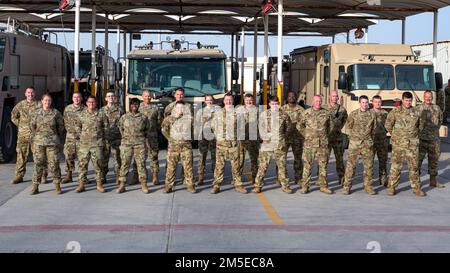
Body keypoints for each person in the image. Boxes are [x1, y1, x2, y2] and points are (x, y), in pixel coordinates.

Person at [385, 91, 426, 196]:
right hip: (399, 144)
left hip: (412, 145)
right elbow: (388, 124)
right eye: (406, 100)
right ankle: (392, 187)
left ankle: (416, 188)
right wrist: (395, 135)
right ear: (402, 100)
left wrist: (413, 135)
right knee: (396, 166)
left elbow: (421, 126)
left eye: (410, 100)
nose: (408, 102)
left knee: (414, 167)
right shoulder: (395, 112)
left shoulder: (417, 112)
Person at [253, 96, 293, 194]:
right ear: (269, 104)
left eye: (276, 104)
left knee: (282, 166)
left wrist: (282, 138)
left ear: (278, 104)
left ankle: (285, 186)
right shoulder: (264, 115)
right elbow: (260, 128)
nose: (274, 106)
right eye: (272, 104)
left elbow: (288, 128)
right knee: (263, 166)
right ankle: (258, 185)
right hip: (267, 145)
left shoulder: (284, 115)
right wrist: (265, 138)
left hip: (280, 144)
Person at [210, 93, 247, 194]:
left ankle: (238, 185)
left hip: (233, 145)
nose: (228, 102)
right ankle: (216, 185)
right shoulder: (218, 113)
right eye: (227, 100)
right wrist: (219, 136)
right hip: (221, 144)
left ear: (233, 101)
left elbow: (241, 127)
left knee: (236, 165)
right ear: (224, 101)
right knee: (219, 166)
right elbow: (213, 126)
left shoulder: (238, 114)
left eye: (230, 100)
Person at [29, 94, 65, 195]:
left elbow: (61, 127)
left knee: (54, 163)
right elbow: (32, 126)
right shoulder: (36, 113)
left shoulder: (56, 113)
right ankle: (35, 186)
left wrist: (54, 136)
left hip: (52, 143)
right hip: (39, 143)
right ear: (41, 101)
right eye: (45, 100)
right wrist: (38, 136)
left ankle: (57, 186)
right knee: (38, 164)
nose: (47, 102)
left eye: (49, 101)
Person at [297, 95, 333, 194]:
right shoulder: (306, 113)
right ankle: (305, 186)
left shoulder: (326, 113)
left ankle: (323, 186)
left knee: (323, 165)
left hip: (322, 144)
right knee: (308, 165)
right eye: (316, 101)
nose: (318, 103)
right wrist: (307, 135)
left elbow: (330, 127)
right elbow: (299, 125)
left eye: (320, 101)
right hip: (310, 144)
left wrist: (324, 136)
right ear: (312, 102)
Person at [11, 87, 47, 184]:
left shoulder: (39, 104)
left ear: (34, 94)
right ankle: (19, 175)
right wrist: (21, 124)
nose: (30, 94)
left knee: (39, 156)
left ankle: (42, 175)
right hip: (23, 135)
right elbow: (13, 115)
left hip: (36, 136)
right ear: (25, 94)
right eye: (28, 92)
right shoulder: (20, 105)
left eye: (32, 92)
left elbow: (45, 116)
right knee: (21, 156)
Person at [342, 96, 376, 195]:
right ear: (359, 103)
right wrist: (353, 138)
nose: (365, 104)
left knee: (368, 166)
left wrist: (369, 140)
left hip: (367, 143)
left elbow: (374, 129)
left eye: (366, 103)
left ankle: (368, 187)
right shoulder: (353, 114)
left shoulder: (372, 115)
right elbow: (348, 127)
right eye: (363, 102)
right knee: (351, 166)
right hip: (355, 144)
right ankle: (347, 187)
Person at [75, 96, 109, 193]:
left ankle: (99, 184)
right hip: (84, 145)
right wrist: (81, 136)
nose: (91, 104)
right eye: (89, 102)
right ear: (86, 103)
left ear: (96, 103)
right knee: (82, 165)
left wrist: (102, 139)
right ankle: (81, 184)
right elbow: (77, 126)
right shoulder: (81, 114)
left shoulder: (101, 115)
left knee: (98, 165)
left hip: (97, 144)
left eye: (93, 102)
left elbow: (106, 128)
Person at [161, 101, 196, 193]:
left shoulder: (190, 119)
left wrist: (189, 139)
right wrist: (170, 139)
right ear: (175, 109)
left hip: (186, 147)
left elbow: (194, 130)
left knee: (188, 167)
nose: (180, 109)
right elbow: (164, 130)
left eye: (182, 108)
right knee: (171, 167)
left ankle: (190, 185)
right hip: (173, 148)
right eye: (178, 107)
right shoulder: (168, 119)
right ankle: (168, 186)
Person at [117, 98, 151, 194]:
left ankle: (143, 184)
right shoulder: (124, 117)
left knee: (141, 164)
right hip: (126, 144)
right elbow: (120, 127)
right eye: (132, 104)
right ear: (130, 105)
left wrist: (142, 138)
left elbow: (147, 129)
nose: (134, 106)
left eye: (136, 104)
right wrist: (125, 137)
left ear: (139, 106)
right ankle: (122, 184)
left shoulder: (143, 117)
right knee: (125, 164)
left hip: (139, 144)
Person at [131, 90, 163, 186]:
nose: (147, 98)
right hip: (140, 137)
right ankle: (136, 176)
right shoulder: (137, 107)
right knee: (138, 158)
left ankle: (155, 176)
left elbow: (159, 122)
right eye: (145, 96)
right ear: (142, 97)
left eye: (149, 96)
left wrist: (154, 131)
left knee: (153, 156)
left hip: (152, 136)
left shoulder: (155, 109)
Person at [418, 90, 445, 188]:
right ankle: (417, 181)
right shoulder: (419, 109)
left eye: (430, 97)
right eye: (426, 97)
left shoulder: (437, 108)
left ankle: (433, 181)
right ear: (423, 97)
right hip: (422, 139)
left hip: (434, 139)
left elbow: (440, 120)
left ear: (432, 98)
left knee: (433, 161)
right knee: (418, 160)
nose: (428, 98)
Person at [99, 91, 123, 184]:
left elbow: (123, 123)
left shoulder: (120, 110)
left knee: (117, 159)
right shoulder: (101, 111)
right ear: (105, 98)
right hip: (105, 138)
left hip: (117, 138)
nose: (111, 98)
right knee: (104, 159)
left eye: (112, 96)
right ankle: (103, 176)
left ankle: (118, 177)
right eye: (109, 96)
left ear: (115, 98)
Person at [281, 91, 305, 186]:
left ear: (296, 97)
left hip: (297, 138)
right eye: (289, 96)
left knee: (298, 159)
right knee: (282, 159)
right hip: (285, 138)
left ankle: (298, 178)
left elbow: (305, 123)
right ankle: (280, 178)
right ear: (287, 98)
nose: (291, 97)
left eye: (293, 96)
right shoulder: (282, 109)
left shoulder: (301, 109)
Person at [324, 90, 347, 185]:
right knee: (324, 159)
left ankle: (341, 177)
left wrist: (338, 128)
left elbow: (344, 120)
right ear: (329, 97)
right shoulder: (324, 108)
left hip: (337, 138)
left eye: (336, 96)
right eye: (333, 96)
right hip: (326, 137)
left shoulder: (342, 109)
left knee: (339, 158)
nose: (335, 98)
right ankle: (322, 178)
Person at [61, 92, 85, 184]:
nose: (77, 99)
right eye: (75, 97)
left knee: (82, 158)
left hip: (82, 138)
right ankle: (69, 175)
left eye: (78, 97)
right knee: (68, 156)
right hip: (70, 137)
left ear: (81, 98)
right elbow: (65, 121)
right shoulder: (67, 109)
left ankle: (82, 177)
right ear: (72, 98)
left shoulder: (85, 109)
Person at [236, 93, 259, 184]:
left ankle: (254, 178)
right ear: (244, 101)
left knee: (254, 159)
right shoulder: (239, 110)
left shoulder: (257, 110)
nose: (248, 102)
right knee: (240, 159)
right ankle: (237, 178)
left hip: (253, 138)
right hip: (241, 138)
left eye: (250, 100)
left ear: (253, 100)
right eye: (247, 100)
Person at [195, 94, 218, 185]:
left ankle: (216, 178)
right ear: (205, 101)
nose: (209, 101)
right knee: (201, 158)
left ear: (213, 100)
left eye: (211, 100)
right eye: (207, 100)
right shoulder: (200, 111)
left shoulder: (218, 110)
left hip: (214, 137)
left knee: (215, 158)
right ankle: (200, 178)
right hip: (203, 137)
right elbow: (197, 124)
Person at [371, 95, 389, 187]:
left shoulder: (385, 113)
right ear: (372, 102)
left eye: (379, 102)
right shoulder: (368, 113)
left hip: (382, 140)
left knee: (383, 161)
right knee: (369, 162)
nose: (378, 103)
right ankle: (369, 181)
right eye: (376, 102)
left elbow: (389, 125)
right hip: (371, 140)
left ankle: (383, 180)